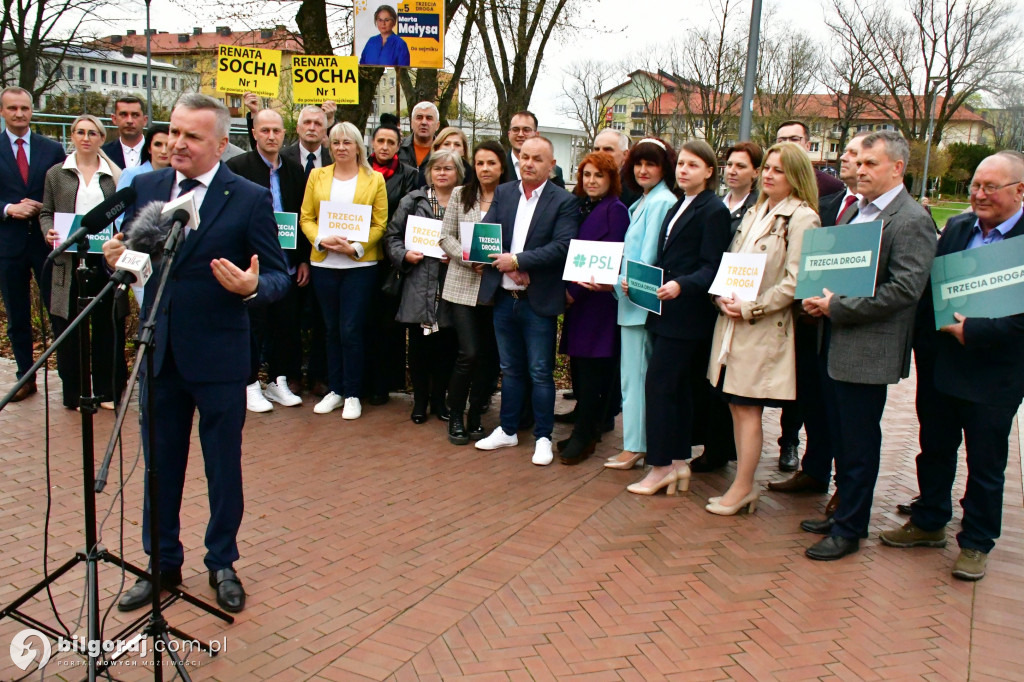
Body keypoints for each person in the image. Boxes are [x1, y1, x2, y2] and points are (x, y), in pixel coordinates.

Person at [103, 93, 291, 614]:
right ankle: (161, 564)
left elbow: (277, 276)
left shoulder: (249, 197)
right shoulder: (146, 185)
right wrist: (116, 260)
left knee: (221, 466)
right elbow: (134, 264)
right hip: (158, 351)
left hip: (219, 357)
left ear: (220, 143)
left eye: (191, 137)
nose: (177, 144)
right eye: (174, 132)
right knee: (159, 465)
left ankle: (222, 562)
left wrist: (253, 286)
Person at [877, 152, 1024, 581]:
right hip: (943, 363)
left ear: (1019, 190)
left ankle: (976, 543)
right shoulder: (959, 227)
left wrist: (974, 332)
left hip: (995, 372)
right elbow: (932, 291)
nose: (978, 194)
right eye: (976, 185)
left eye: (989, 187)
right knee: (935, 447)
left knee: (985, 462)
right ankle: (929, 521)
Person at [800, 131, 936, 561]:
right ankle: (842, 511)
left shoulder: (911, 220)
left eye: (871, 164)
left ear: (897, 168)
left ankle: (850, 528)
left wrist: (836, 306)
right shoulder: (854, 213)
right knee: (840, 438)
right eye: (859, 164)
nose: (860, 171)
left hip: (866, 351)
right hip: (831, 343)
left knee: (859, 445)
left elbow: (904, 291)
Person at [705, 142, 820, 514]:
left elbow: (795, 280)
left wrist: (752, 307)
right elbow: (733, 263)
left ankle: (743, 487)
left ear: (797, 176)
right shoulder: (755, 211)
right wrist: (720, 295)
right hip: (732, 323)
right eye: (767, 168)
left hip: (763, 328)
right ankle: (743, 485)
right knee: (735, 406)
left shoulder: (803, 218)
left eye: (778, 170)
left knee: (747, 406)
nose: (769, 175)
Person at [626, 141, 732, 494]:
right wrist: (639, 282)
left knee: (659, 387)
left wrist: (680, 286)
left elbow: (711, 266)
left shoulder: (712, 209)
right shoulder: (679, 205)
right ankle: (677, 462)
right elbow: (664, 257)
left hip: (687, 314)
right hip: (665, 310)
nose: (683, 170)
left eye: (693, 165)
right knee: (676, 390)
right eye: (681, 164)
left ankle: (660, 467)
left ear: (709, 171)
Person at [768, 131, 868, 505]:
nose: (849, 160)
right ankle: (814, 470)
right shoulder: (830, 205)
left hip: (853, 326)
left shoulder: (889, 214)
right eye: (849, 153)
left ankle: (846, 492)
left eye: (861, 156)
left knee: (848, 418)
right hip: (814, 322)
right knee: (815, 402)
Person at [473, 136, 579, 465]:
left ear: (552, 165)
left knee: (540, 371)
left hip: (538, 301)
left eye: (536, 158)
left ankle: (543, 437)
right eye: (523, 156)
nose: (528, 162)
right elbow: (488, 234)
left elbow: (563, 246)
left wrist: (518, 261)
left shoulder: (563, 201)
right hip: (505, 297)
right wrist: (487, 255)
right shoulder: (505, 193)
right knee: (510, 370)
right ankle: (507, 430)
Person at [300, 121, 388, 418]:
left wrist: (357, 248)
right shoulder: (317, 176)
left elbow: (379, 224)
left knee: (351, 329)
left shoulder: (374, 179)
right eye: (335, 142)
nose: (340, 148)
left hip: (359, 265)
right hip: (324, 263)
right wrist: (320, 239)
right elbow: (306, 217)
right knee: (330, 328)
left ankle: (352, 392)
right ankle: (335, 389)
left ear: (357, 146)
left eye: (347, 142)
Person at [39, 114, 126, 410]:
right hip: (68, 258)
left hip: (104, 258)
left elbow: (123, 213)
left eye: (92, 133)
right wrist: (47, 231)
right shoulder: (56, 173)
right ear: (72, 137)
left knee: (106, 325)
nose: (86, 137)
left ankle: (106, 391)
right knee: (69, 326)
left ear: (102, 138)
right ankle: (74, 392)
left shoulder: (115, 174)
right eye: (80, 132)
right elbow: (45, 212)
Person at [772, 120, 846, 469]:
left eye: (795, 139)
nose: (789, 144)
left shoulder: (832, 188)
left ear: (808, 142)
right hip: (779, 301)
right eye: (782, 139)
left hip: (813, 302)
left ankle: (794, 444)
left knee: (804, 383)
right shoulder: (769, 193)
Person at [226, 109, 309, 412]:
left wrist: (302, 260)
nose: (271, 136)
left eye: (276, 131)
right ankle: (250, 384)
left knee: (285, 327)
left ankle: (278, 381)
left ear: (284, 134)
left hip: (286, 264)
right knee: (253, 327)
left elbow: (302, 217)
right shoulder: (237, 167)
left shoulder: (294, 170)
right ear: (255, 133)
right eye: (265, 131)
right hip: (253, 266)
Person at [603, 137, 678, 471]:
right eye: (639, 164)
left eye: (651, 164)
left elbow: (648, 256)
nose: (643, 170)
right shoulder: (647, 200)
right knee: (633, 377)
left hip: (638, 301)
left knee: (635, 377)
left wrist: (623, 283)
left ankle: (636, 445)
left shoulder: (660, 202)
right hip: (631, 299)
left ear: (664, 168)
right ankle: (637, 443)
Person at [688, 141, 762, 475]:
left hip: (742, 305)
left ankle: (722, 448)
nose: (732, 171)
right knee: (711, 382)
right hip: (710, 301)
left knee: (732, 386)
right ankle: (713, 443)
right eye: (728, 165)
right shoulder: (716, 204)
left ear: (755, 173)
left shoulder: (757, 210)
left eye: (741, 166)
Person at [557, 152, 629, 465]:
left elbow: (604, 262)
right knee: (581, 371)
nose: (591, 181)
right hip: (579, 304)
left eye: (598, 175)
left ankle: (586, 437)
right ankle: (584, 431)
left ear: (611, 179)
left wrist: (571, 293)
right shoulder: (582, 206)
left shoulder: (616, 211)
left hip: (596, 304)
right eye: (586, 175)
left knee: (593, 374)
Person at [385, 149, 462, 423]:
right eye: (437, 168)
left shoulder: (465, 202)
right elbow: (391, 236)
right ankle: (419, 402)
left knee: (446, 348)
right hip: (418, 284)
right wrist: (404, 255)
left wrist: (458, 254)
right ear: (429, 172)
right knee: (418, 349)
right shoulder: (413, 200)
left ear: (458, 173)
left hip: (451, 285)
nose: (442, 173)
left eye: (448, 168)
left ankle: (440, 401)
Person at [0, 86, 65, 401]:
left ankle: (69, 376)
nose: (19, 114)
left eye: (24, 108)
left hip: (45, 242)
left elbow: (63, 189)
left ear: (32, 110)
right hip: (8, 244)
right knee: (17, 315)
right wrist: (8, 209)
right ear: (3, 112)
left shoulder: (51, 150)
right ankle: (25, 377)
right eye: (12, 108)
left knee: (58, 310)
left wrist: (42, 205)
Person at [439, 140, 506, 444]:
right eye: (480, 163)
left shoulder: (511, 199)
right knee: (469, 352)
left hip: (496, 290)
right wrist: (469, 258)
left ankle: (476, 414)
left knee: (489, 358)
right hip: (462, 287)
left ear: (502, 166)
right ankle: (455, 415)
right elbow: (446, 237)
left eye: (491, 162)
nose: (485, 168)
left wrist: (495, 262)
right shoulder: (460, 195)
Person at [364, 116, 420, 405]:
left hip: (391, 259)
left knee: (387, 326)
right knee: (362, 321)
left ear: (399, 146)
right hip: (360, 255)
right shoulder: (359, 171)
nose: (384, 146)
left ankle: (382, 384)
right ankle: (359, 381)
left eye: (391, 142)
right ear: (372, 143)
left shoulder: (410, 174)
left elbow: (409, 214)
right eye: (380, 141)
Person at [502, 111, 565, 188]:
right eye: (515, 129)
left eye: (526, 130)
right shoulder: (498, 167)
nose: (520, 134)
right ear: (509, 134)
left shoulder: (555, 172)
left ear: (536, 135)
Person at [117, 124, 171, 192]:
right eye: (158, 145)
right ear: (149, 149)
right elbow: (119, 202)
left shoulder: (178, 177)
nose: (164, 151)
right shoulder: (131, 174)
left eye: (168, 145)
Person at [398, 101, 440, 186]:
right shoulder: (398, 149)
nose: (424, 122)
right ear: (411, 123)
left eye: (429, 118)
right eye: (419, 117)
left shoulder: (443, 153)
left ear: (437, 125)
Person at [102, 95, 148, 169]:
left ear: (145, 120)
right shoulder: (104, 153)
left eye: (135, 115)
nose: (129, 121)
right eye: (123, 115)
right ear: (114, 119)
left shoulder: (158, 152)